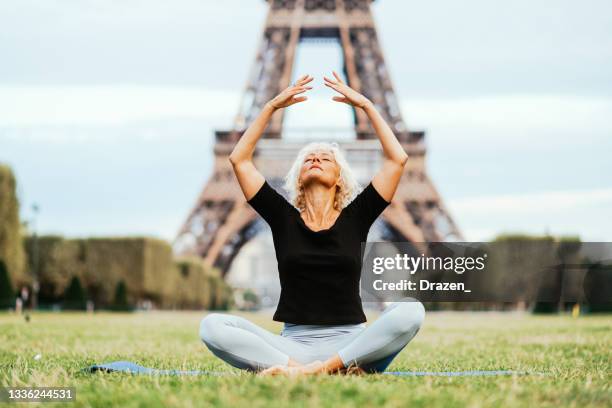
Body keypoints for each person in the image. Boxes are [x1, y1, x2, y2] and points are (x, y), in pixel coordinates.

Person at [199, 72, 425, 376]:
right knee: (212, 326)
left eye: (325, 158)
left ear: (339, 179)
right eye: (308, 158)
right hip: (294, 345)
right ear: (297, 178)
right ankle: (307, 369)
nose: (316, 159)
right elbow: (240, 159)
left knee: (411, 311)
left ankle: (322, 369)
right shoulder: (282, 217)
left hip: (352, 342)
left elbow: (397, 159)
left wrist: (367, 105)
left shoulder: (357, 216)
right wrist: (270, 107)